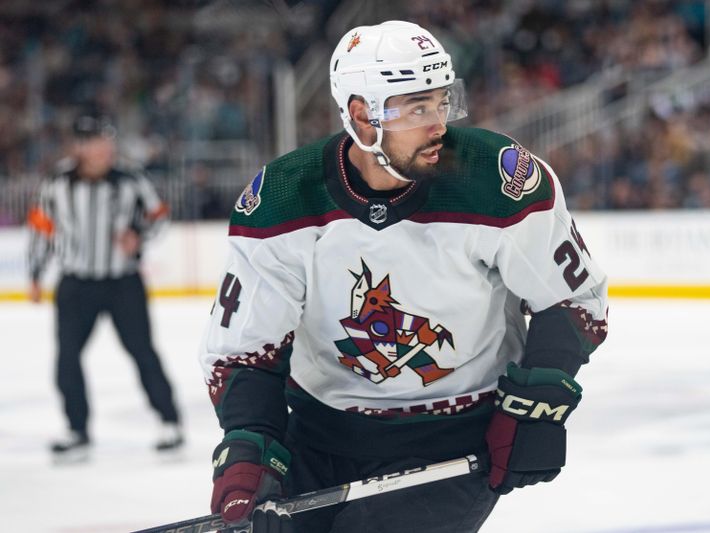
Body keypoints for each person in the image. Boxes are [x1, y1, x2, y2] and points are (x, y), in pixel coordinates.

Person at [200, 21, 608, 533]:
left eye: (442, 101)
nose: (438, 123)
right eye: (416, 108)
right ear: (362, 116)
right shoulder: (283, 199)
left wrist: (538, 400)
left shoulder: (498, 181)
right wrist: (249, 446)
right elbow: (244, 349)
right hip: (319, 437)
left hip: (453, 441)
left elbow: (574, 299)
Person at [27, 111, 184, 461]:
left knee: (142, 351)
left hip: (122, 282)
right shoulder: (57, 183)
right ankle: (77, 429)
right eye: (97, 141)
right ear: (80, 146)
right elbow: (41, 228)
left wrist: (138, 237)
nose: (105, 148)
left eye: (107, 140)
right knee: (67, 357)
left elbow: (159, 215)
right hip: (75, 283)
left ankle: (169, 421)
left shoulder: (129, 179)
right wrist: (35, 273)